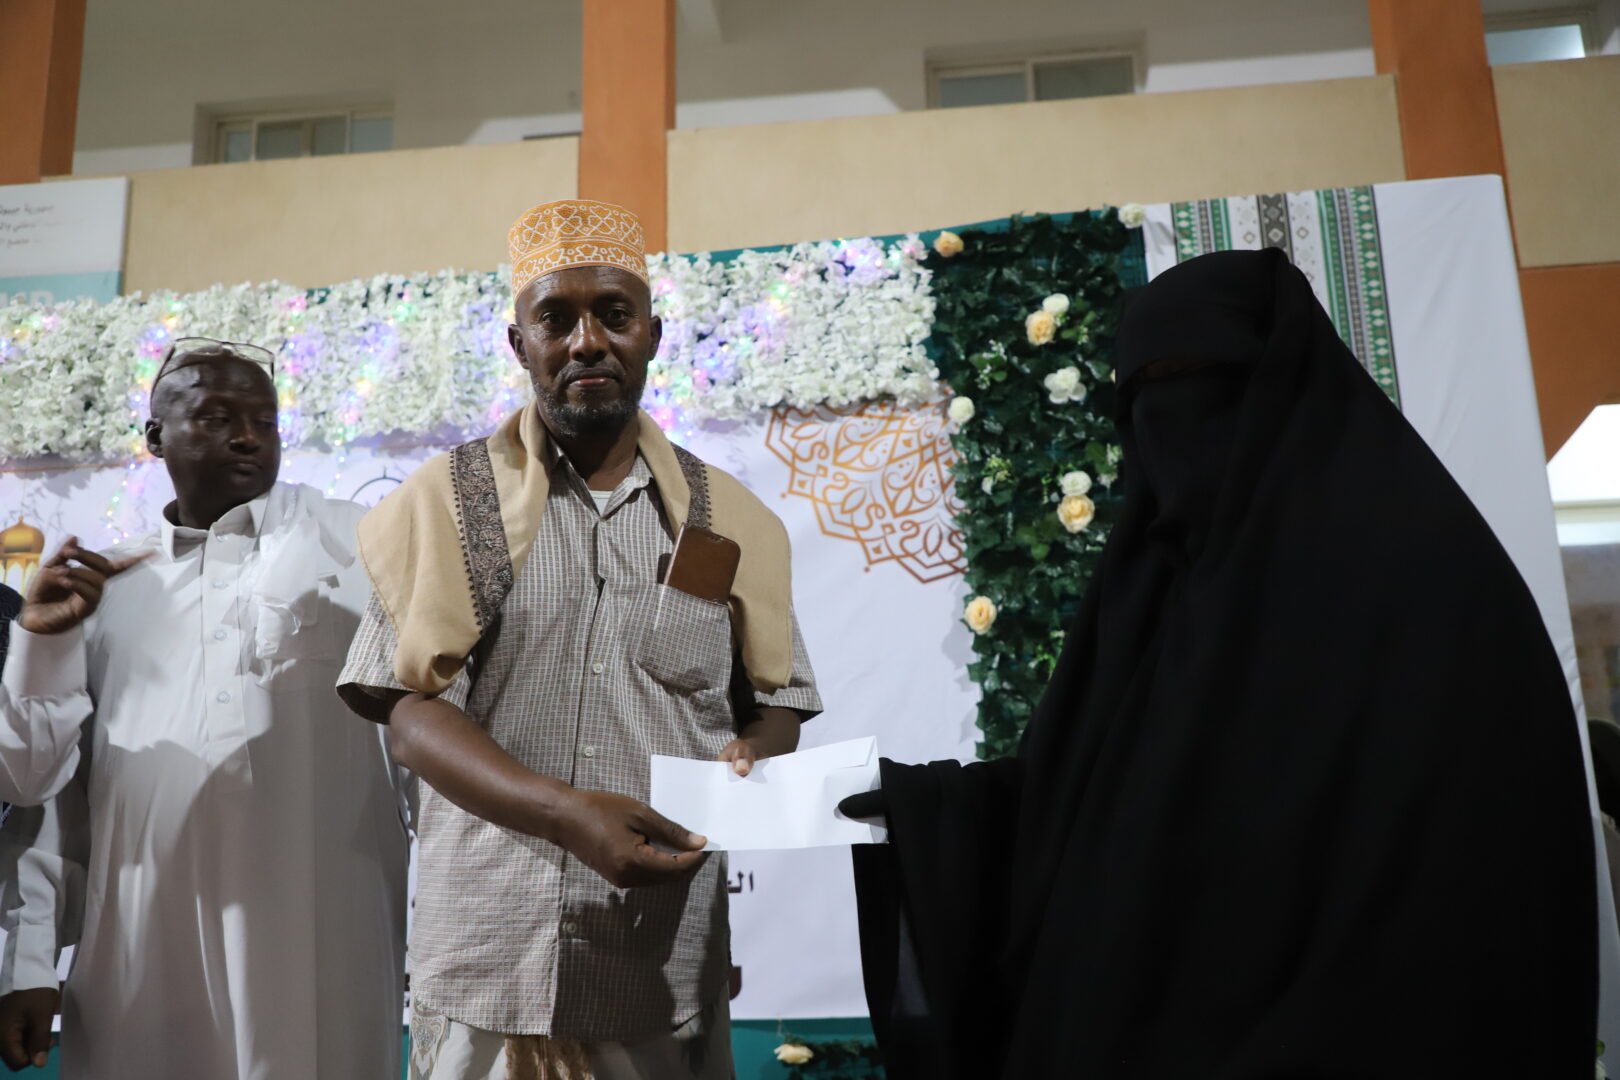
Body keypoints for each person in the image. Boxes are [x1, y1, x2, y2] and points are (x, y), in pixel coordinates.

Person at [847, 249, 1597, 1078]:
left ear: (1280, 382)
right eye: (1145, 393)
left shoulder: (1421, 574)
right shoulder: (1153, 584)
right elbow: (1087, 796)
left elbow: (1473, 853)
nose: (1175, 420)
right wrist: (931, 813)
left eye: (1199, 379)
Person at [336, 199, 821, 1080]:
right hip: (488, 955)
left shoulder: (729, 519)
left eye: (614, 315)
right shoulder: (448, 502)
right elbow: (408, 713)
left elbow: (777, 700)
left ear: (653, 336)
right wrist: (566, 814)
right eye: (556, 319)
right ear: (520, 344)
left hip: (658, 959)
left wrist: (753, 753)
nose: (587, 341)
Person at [0, 338, 410, 1077]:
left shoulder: (363, 551)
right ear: (155, 436)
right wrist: (26, 959)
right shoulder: (107, 588)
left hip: (324, 942)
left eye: (265, 421)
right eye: (217, 417)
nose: (248, 437)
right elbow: (49, 796)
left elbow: (424, 750)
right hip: (142, 954)